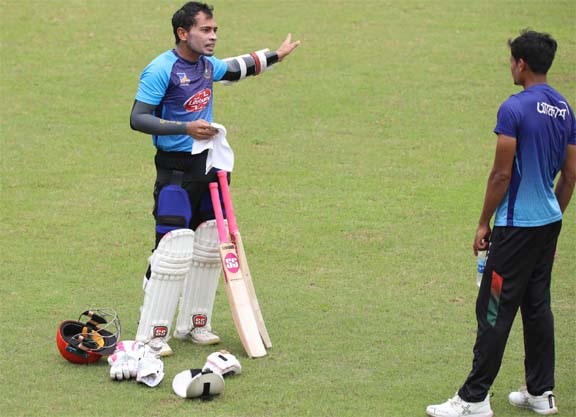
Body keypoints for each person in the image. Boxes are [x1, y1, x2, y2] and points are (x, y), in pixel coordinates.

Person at [129, 1, 300, 356]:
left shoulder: (207, 67)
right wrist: (185, 127)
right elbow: (138, 118)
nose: (213, 37)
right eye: (206, 30)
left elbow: (236, 68)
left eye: (215, 30)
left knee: (208, 246)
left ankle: (194, 323)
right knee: (173, 249)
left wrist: (276, 55)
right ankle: (152, 334)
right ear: (182, 33)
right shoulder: (161, 69)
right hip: (174, 171)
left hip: (208, 169)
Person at [426, 30, 576, 417]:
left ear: (521, 64)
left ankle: (474, 397)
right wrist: (554, 218)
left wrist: (482, 223)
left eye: (511, 60)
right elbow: (571, 175)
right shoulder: (565, 108)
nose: (510, 66)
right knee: (537, 305)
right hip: (546, 226)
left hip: (515, 230)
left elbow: (500, 175)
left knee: (492, 308)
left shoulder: (514, 109)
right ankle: (541, 393)